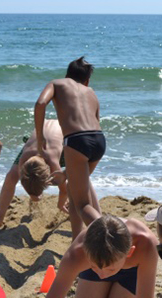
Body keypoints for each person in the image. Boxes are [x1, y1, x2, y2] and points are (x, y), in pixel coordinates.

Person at [35, 57, 104, 239]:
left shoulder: (57, 84)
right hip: (98, 140)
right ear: (87, 80)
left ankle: (110, 236)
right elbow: (96, 123)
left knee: (83, 205)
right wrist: (65, 174)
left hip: (76, 140)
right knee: (75, 191)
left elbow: (40, 104)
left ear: (66, 75)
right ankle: (76, 240)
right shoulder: (91, 92)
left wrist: (40, 137)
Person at [0, 119, 68, 229]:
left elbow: (64, 190)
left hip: (64, 131)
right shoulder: (25, 157)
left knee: (70, 173)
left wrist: (61, 204)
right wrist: (33, 194)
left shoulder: (53, 161)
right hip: (39, 137)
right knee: (10, 177)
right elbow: (23, 178)